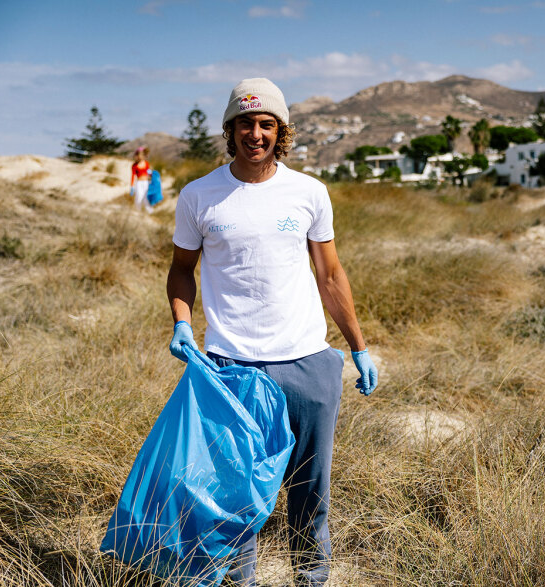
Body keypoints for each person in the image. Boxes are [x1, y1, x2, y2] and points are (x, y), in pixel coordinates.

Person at [166, 77, 378, 586]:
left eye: (266, 124)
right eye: (245, 123)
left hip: (308, 362)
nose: (254, 133)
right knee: (236, 498)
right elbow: (180, 269)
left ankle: (313, 579)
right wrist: (181, 323)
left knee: (311, 494)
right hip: (231, 367)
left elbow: (330, 274)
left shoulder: (308, 192)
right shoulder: (200, 196)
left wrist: (358, 347)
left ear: (280, 131)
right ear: (230, 129)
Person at [130, 146, 154, 213]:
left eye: (142, 154)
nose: (140, 156)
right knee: (139, 197)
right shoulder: (134, 165)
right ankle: (138, 211)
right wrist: (132, 186)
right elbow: (133, 176)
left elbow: (149, 172)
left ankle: (150, 212)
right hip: (139, 183)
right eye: (139, 154)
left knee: (146, 198)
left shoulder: (146, 163)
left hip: (146, 183)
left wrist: (151, 178)